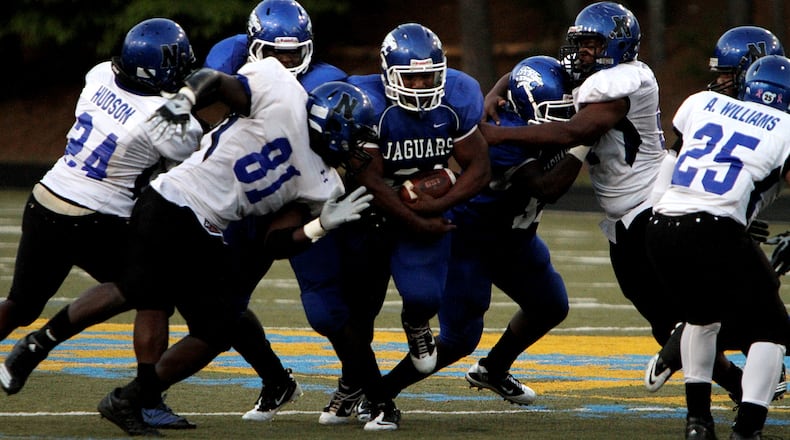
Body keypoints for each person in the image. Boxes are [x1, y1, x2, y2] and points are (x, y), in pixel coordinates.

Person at [478, 1, 759, 402]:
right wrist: (496, 91)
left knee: (691, 316)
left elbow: (573, 132)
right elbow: (522, 73)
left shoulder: (627, 80)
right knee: (664, 327)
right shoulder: (593, 75)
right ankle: (740, 384)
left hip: (650, 207)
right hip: (622, 220)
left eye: (593, 44)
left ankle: (762, 347)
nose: (583, 52)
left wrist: (498, 135)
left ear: (617, 46)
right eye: (580, 42)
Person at [95, 59, 374, 437]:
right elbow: (214, 80)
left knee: (215, 321)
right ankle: (130, 397)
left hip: (196, 220)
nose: (360, 149)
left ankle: (134, 398)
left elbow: (275, 242)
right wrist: (183, 100)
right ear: (335, 129)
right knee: (177, 310)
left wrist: (319, 226)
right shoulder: (282, 93)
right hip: (178, 206)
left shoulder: (323, 181)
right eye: (357, 138)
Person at [0, 18, 201, 429]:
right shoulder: (169, 124)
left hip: (46, 199)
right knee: (152, 294)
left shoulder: (98, 75)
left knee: (20, 304)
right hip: (95, 217)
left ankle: (35, 344)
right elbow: (183, 158)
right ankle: (145, 399)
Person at [359, 55, 581, 416]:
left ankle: (493, 369)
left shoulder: (531, 114)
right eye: (554, 112)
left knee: (550, 306)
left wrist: (500, 87)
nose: (565, 121)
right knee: (460, 339)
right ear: (526, 107)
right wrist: (583, 144)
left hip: (515, 239)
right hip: (471, 242)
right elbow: (547, 187)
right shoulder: (504, 139)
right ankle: (379, 392)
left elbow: (513, 75)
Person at [203, 0, 355, 423]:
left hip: (301, 200)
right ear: (254, 47)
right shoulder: (229, 59)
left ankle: (359, 381)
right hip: (251, 196)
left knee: (325, 310)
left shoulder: (325, 82)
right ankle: (276, 380)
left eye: (293, 52)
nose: (285, 61)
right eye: (274, 52)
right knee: (220, 304)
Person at [342, 22, 491, 431]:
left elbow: (479, 166)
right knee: (354, 313)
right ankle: (354, 385)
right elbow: (371, 180)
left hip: (422, 210)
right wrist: (415, 218)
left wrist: (437, 205)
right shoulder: (366, 101)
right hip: (369, 213)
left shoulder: (458, 94)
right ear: (388, 74)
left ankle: (414, 323)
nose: (422, 85)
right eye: (411, 77)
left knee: (424, 297)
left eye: (429, 76)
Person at [645, 54, 790, 440]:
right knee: (773, 329)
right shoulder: (785, 126)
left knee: (702, 319)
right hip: (714, 227)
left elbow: (675, 158)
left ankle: (698, 423)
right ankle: (748, 429)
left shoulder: (702, 102)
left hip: (661, 226)